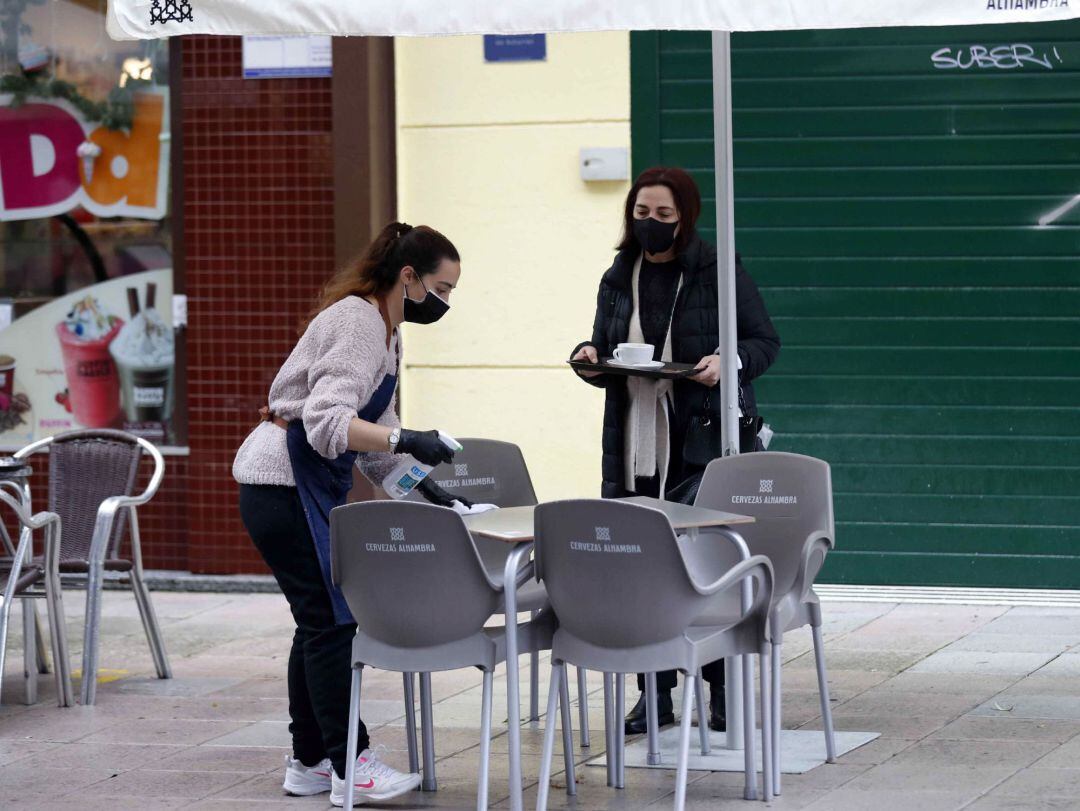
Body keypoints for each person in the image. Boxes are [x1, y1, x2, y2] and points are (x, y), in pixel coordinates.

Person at [233, 222, 471, 806]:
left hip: (296, 486)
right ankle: (350, 764)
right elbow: (328, 422)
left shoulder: (387, 331)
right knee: (334, 624)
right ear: (407, 276)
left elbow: (378, 445)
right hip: (283, 483)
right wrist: (406, 438)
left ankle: (310, 762)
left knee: (317, 622)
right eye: (441, 288)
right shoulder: (358, 321)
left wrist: (433, 493)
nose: (444, 303)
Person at [570, 167, 780, 735]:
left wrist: (728, 362)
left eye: (664, 215)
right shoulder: (619, 276)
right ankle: (654, 693)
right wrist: (588, 355)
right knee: (638, 564)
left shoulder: (717, 269)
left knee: (705, 559)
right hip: (633, 439)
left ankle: (720, 689)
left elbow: (765, 342)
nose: (651, 224)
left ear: (685, 217)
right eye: (642, 214)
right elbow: (604, 348)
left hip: (699, 439)